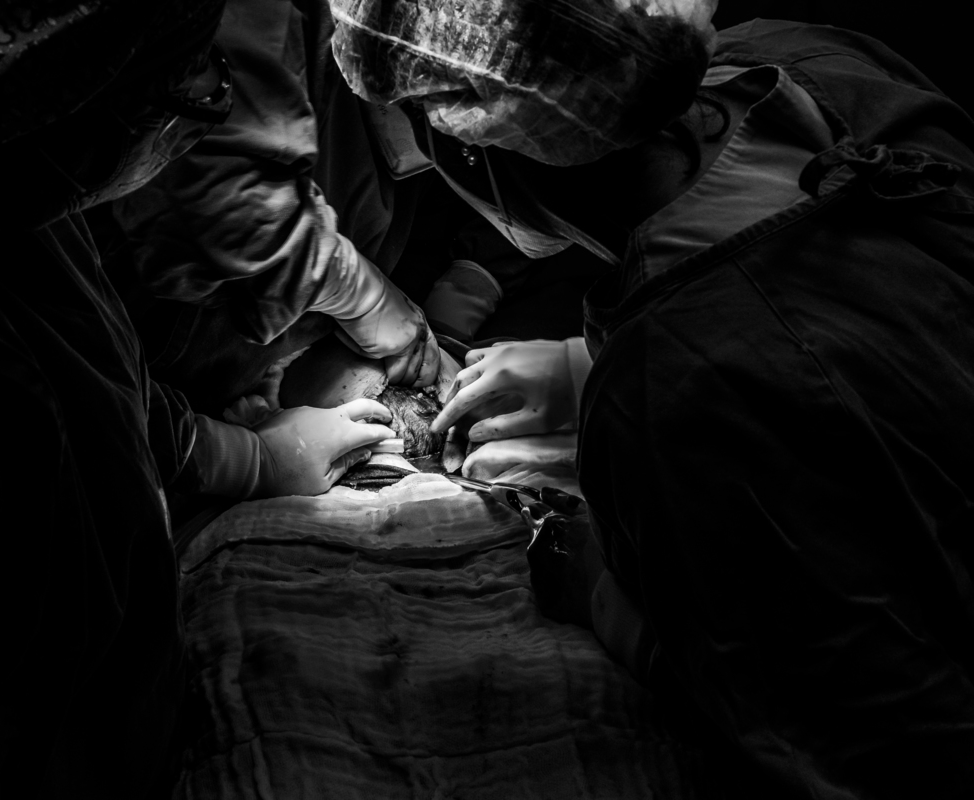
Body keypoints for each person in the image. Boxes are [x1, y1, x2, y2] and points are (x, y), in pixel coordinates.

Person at [333, 2, 974, 796]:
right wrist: (587, 362)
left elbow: (870, 743)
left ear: (472, 143)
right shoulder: (804, 58)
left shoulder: (679, 393)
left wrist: (607, 594)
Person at [0, 2, 398, 797]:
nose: (208, 105)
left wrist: (250, 458)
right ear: (68, 96)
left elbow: (86, 387)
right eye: (188, 89)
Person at [106, 0, 441, 421]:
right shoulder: (258, 14)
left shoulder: (429, 71)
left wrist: (289, 350)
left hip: (238, 371)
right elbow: (204, 199)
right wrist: (355, 293)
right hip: (141, 360)